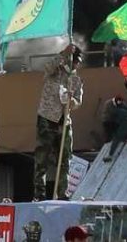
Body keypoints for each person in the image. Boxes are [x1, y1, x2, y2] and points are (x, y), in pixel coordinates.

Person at [33, 45, 83, 201]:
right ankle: (39, 194)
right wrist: (63, 53)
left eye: (78, 62)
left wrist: (70, 100)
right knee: (42, 159)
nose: (76, 64)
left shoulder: (77, 80)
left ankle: (62, 192)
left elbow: (78, 102)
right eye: (74, 60)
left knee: (65, 158)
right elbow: (47, 67)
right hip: (47, 119)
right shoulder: (55, 71)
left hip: (64, 121)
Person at [103, 95, 127, 162]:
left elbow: (117, 120)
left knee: (116, 139)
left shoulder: (119, 110)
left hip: (124, 128)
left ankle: (110, 155)